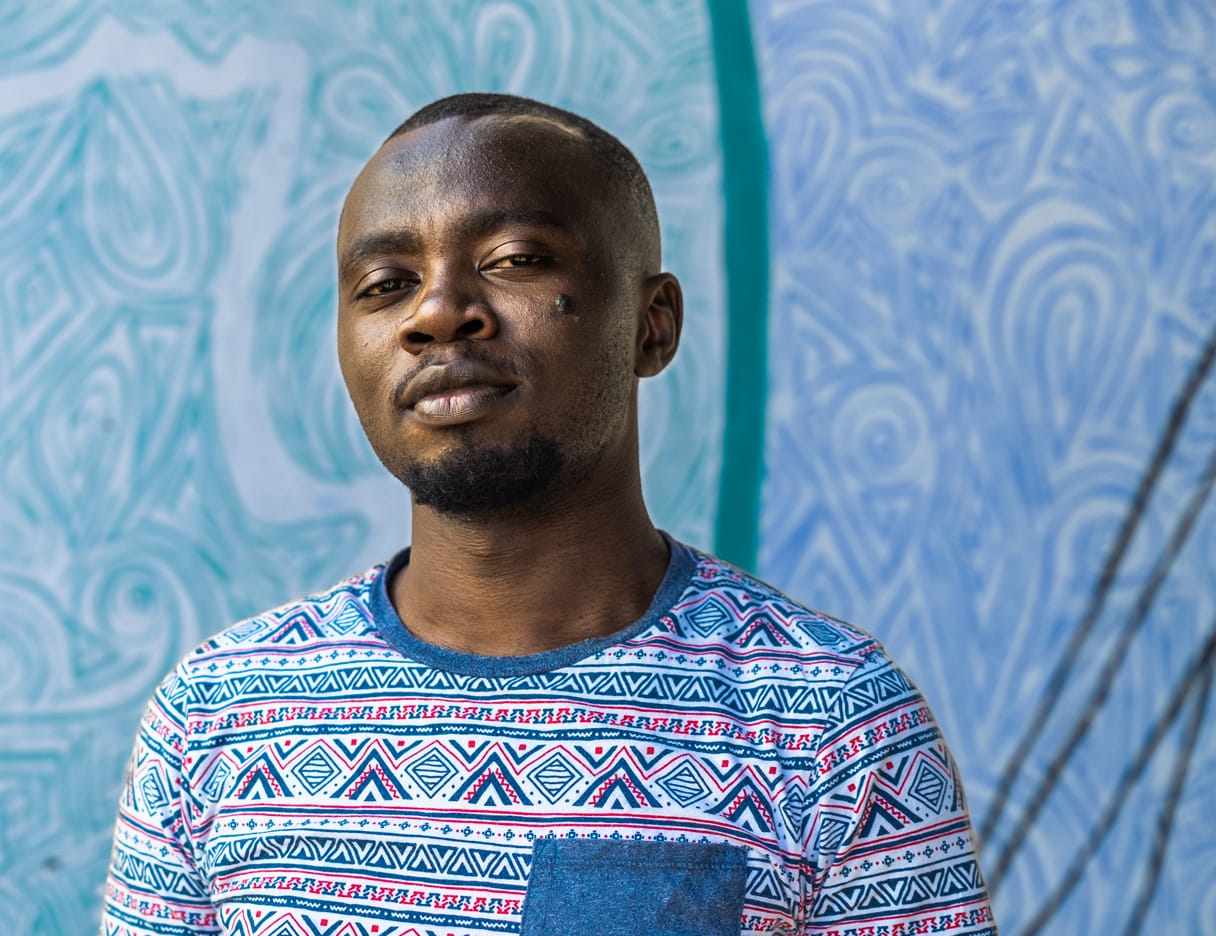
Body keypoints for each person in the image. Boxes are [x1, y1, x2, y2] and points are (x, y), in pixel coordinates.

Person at [101, 93, 995, 936]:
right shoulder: (215, 717)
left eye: (517, 260)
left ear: (653, 324)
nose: (439, 313)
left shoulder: (832, 720)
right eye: (384, 282)